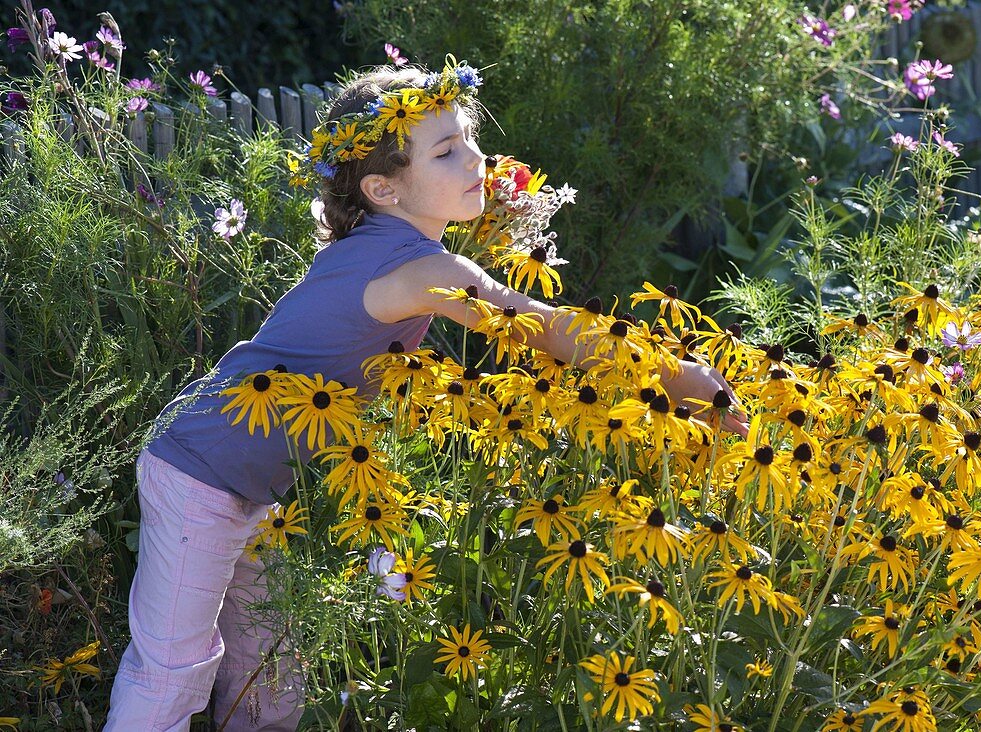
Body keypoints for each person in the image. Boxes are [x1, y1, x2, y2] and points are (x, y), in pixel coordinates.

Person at [104, 60, 746, 731]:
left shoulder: (385, 243)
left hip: (251, 484)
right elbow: (542, 329)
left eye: (469, 139)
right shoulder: (424, 267)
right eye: (446, 151)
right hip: (200, 474)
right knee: (175, 669)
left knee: (270, 673)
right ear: (383, 188)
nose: (476, 158)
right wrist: (682, 378)